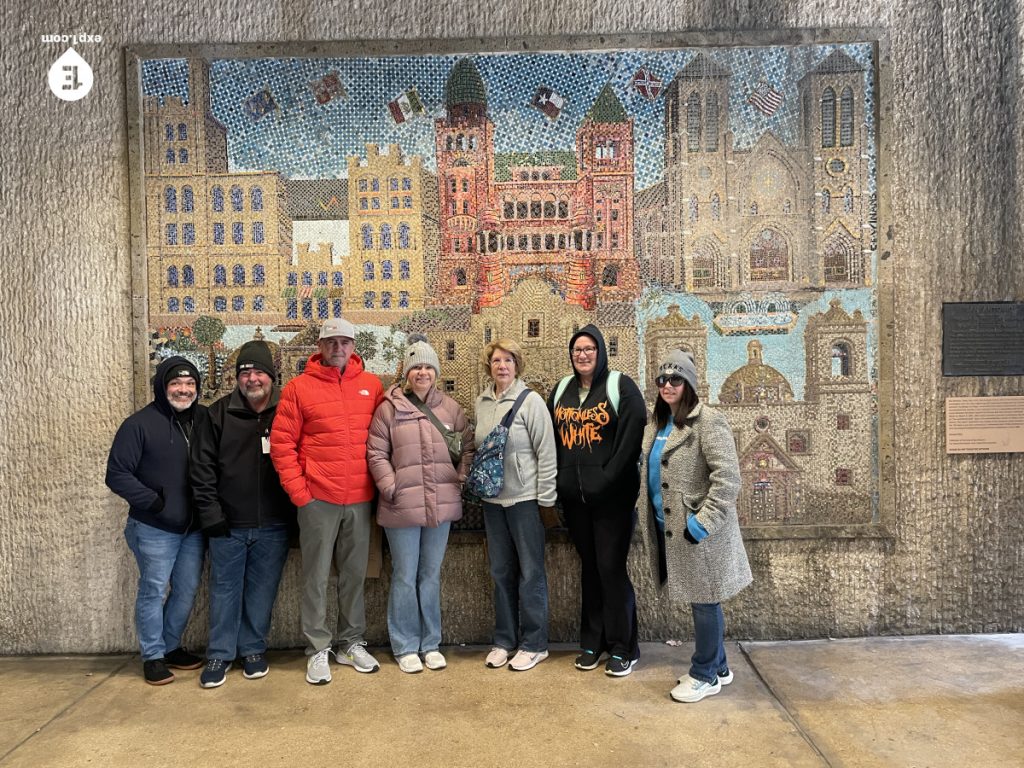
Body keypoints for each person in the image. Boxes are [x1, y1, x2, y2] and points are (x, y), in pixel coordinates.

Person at [270, 318, 384, 685]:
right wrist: (300, 493)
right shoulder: (298, 389)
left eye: (345, 342)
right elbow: (282, 444)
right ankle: (317, 647)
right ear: (320, 347)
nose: (338, 348)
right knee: (316, 577)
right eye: (331, 342)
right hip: (318, 498)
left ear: (354, 346)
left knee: (354, 575)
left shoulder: (371, 385)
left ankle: (350, 641)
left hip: (360, 499)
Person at [638, 350, 752, 703]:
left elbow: (728, 480)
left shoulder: (709, 421)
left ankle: (704, 674)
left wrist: (700, 524)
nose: (667, 385)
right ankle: (719, 667)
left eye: (675, 379)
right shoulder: (655, 425)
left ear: (689, 383)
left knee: (705, 602)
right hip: (667, 528)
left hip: (698, 531)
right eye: (662, 380)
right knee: (701, 600)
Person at [190, 340, 296, 688]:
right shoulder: (217, 414)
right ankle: (220, 653)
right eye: (245, 373)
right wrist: (211, 515)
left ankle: (252, 649)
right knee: (224, 591)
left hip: (275, 525)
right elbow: (201, 470)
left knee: (262, 591)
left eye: (259, 372)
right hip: (228, 526)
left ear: (271, 376)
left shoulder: (287, 412)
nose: (252, 379)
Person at [366, 335, 474, 674]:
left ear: (436, 371)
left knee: (429, 575)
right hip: (402, 506)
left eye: (428, 366)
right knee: (404, 575)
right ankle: (405, 644)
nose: (422, 373)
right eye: (416, 367)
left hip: (440, 504)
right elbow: (376, 452)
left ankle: (431, 643)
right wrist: (390, 484)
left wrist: (461, 475)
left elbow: (467, 447)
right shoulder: (389, 408)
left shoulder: (451, 408)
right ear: (407, 372)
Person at [547, 324, 646, 676]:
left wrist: (607, 478)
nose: (583, 355)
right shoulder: (561, 390)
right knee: (590, 569)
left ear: (601, 352)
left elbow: (632, 436)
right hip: (575, 501)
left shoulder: (621, 386)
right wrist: (559, 482)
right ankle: (593, 640)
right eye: (577, 350)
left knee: (611, 568)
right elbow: (552, 441)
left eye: (589, 349)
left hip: (613, 500)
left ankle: (624, 646)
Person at [105, 356, 206, 685]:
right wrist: (154, 501)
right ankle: (152, 656)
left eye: (190, 384)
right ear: (162, 387)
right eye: (176, 383)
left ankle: (170, 646)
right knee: (153, 590)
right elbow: (117, 474)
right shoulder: (139, 425)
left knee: (187, 590)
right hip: (154, 527)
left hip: (192, 528)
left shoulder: (202, 420)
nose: (183, 389)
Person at [473, 339, 557, 672]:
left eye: (508, 360)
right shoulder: (481, 403)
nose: (502, 366)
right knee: (500, 571)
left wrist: (546, 500)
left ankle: (535, 643)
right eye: (496, 360)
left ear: (517, 365)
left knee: (531, 572)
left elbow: (547, 452)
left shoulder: (531, 402)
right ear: (489, 366)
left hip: (525, 500)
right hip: (492, 500)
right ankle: (504, 640)